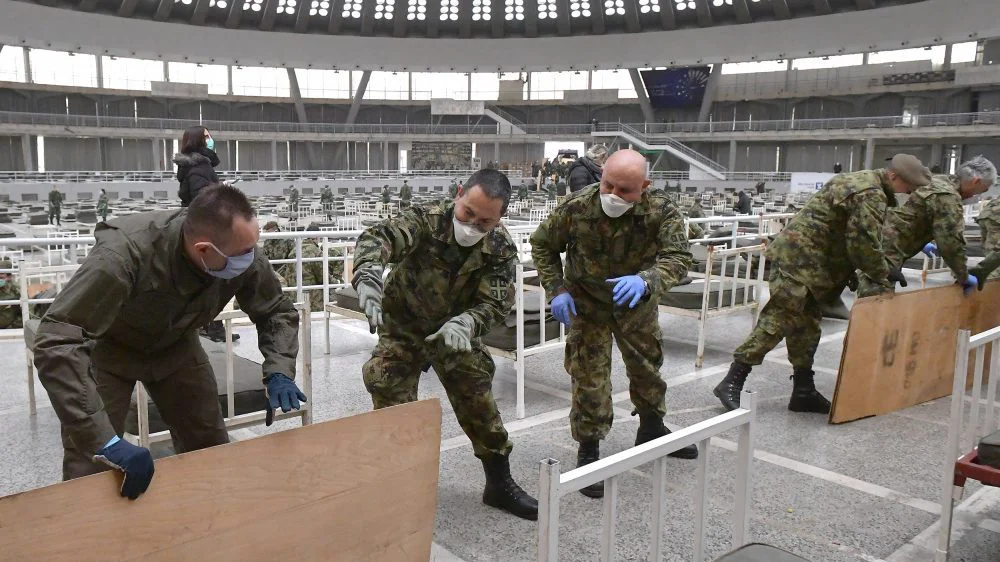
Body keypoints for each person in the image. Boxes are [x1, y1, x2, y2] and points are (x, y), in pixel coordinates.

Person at [33, 184, 307, 500]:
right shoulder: (124, 254)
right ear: (204, 249)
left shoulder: (239, 251)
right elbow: (57, 338)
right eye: (243, 254)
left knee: (208, 442)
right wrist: (103, 440)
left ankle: (209, 520)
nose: (251, 259)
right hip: (109, 350)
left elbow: (274, 309)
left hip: (176, 346)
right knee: (91, 463)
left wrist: (279, 370)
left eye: (252, 249)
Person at [352, 169, 537, 520]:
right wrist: (367, 275)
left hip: (453, 333)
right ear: (457, 195)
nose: (472, 225)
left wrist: (467, 323)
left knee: (477, 393)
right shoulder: (426, 220)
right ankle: (398, 485)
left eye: (484, 221)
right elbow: (381, 238)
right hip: (404, 327)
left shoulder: (500, 248)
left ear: (500, 218)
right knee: (387, 386)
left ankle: (499, 482)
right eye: (467, 212)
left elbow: (495, 303)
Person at [530, 149, 698, 500]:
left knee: (647, 368)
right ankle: (589, 451)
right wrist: (556, 289)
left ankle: (652, 428)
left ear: (644, 187)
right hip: (586, 305)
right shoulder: (577, 206)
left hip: (635, 302)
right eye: (608, 184)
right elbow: (543, 245)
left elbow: (679, 257)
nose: (613, 195)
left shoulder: (661, 210)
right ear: (601, 175)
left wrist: (648, 279)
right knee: (590, 378)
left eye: (625, 190)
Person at [713, 154, 932, 414]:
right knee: (778, 320)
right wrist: (883, 270)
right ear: (894, 176)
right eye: (908, 186)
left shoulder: (860, 180)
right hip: (800, 262)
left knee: (806, 326)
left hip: (811, 263)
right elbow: (862, 243)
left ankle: (803, 391)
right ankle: (731, 381)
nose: (908, 192)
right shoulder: (871, 193)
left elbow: (843, 233)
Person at [866, 156, 995, 295]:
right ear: (976, 181)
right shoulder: (948, 197)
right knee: (876, 303)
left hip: (881, 241)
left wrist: (919, 241)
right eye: (981, 190)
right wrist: (963, 276)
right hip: (887, 252)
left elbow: (911, 215)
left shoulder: (935, 181)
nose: (974, 196)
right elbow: (951, 245)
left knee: (873, 301)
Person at [261, 221, 342, 312]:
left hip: (294, 295)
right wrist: (338, 283)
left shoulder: (295, 249)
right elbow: (323, 277)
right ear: (317, 237)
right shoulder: (315, 252)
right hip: (312, 298)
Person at [174, 126, 220, 208]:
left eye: (210, 136)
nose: (210, 140)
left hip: (189, 213)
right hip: (199, 217)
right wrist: (223, 189)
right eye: (206, 137)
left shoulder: (187, 164)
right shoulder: (198, 165)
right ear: (197, 141)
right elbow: (202, 199)